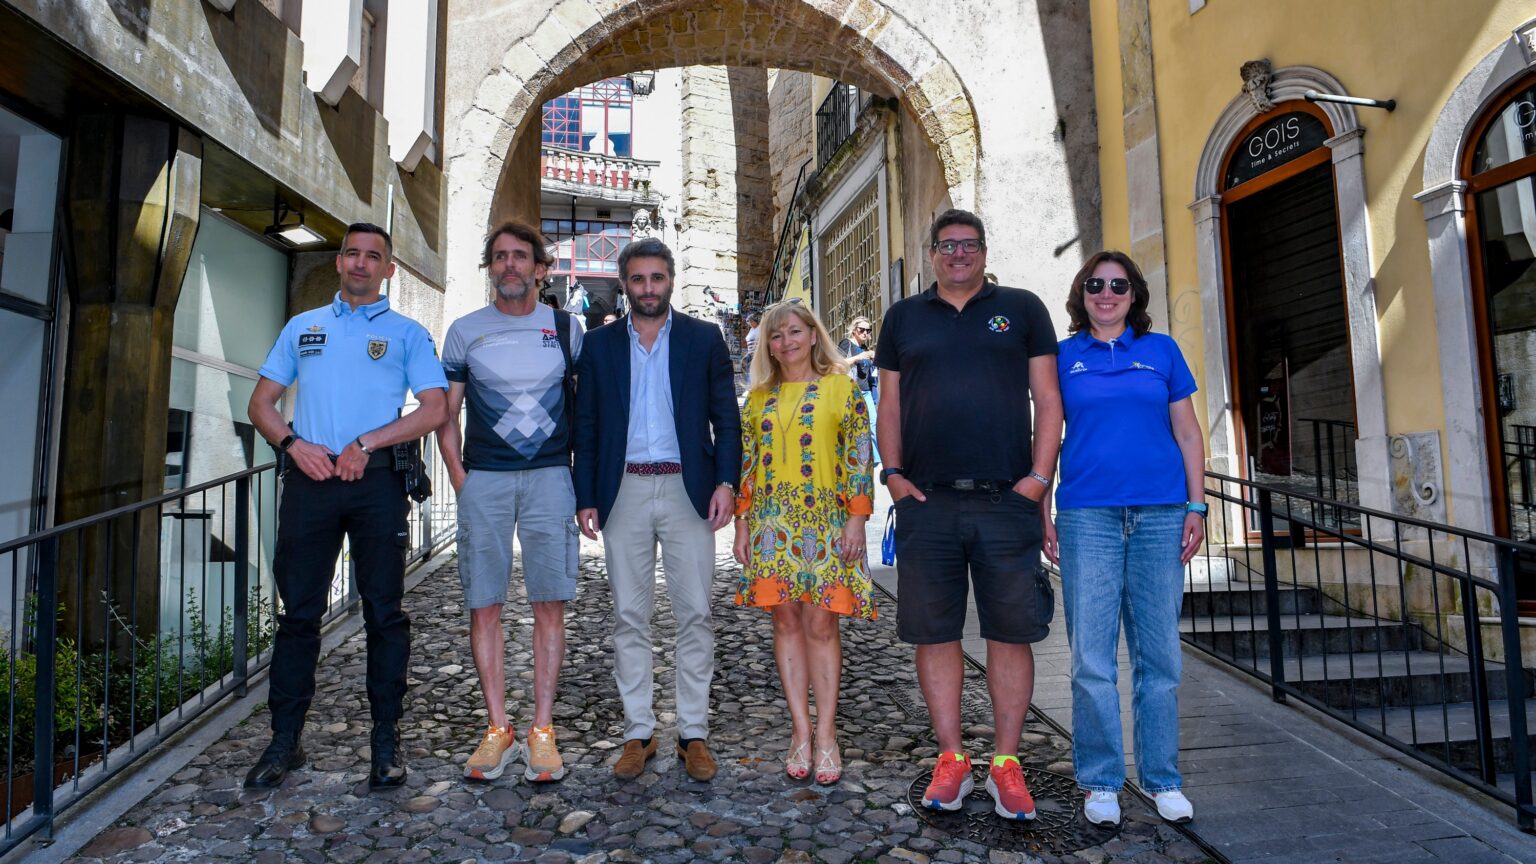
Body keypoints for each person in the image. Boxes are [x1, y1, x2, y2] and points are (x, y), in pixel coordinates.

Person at [245, 223, 448, 791]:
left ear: (389, 270)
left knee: (385, 616)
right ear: (338, 263)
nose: (361, 264)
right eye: (352, 254)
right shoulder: (302, 327)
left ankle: (386, 740)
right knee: (298, 617)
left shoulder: (408, 334)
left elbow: (433, 409)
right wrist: (293, 444)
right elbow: (261, 404)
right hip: (310, 484)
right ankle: (285, 741)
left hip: (377, 484)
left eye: (373, 257)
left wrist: (369, 443)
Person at [874, 209, 1063, 820]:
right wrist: (895, 477)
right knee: (935, 633)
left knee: (1011, 631)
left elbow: (1049, 401)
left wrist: (1037, 484)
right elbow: (890, 408)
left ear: (984, 250)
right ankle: (951, 757)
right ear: (932, 254)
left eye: (969, 245)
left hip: (1006, 500)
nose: (958, 254)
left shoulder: (1023, 309)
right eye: (947, 245)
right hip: (926, 502)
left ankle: (1007, 764)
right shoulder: (902, 318)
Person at [1043, 251, 1205, 827]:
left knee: (1158, 655)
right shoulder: (1063, 358)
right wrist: (1041, 504)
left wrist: (1197, 505)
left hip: (1161, 515)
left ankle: (1163, 779)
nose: (1106, 293)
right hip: (1088, 517)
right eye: (1095, 284)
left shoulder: (1161, 352)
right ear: (1081, 294)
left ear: (1134, 293)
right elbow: (1046, 435)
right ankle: (1101, 781)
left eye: (1117, 285)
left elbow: (1187, 433)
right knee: (1090, 657)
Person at [572, 237, 742, 782]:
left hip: (686, 490)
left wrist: (726, 481)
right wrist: (586, 496)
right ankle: (638, 732)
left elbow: (726, 418)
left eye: (657, 278)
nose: (648, 289)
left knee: (696, 614)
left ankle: (694, 733)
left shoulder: (703, 339)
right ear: (624, 284)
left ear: (671, 281)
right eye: (638, 279)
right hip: (622, 491)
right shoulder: (598, 347)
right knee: (629, 617)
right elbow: (587, 426)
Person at [438, 221, 584, 784]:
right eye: (499, 257)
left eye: (520, 257)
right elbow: (444, 413)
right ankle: (497, 726)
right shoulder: (465, 331)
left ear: (541, 269)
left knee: (550, 604)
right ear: (490, 267)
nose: (510, 266)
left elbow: (586, 412)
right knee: (485, 604)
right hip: (487, 480)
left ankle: (541, 730)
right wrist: (460, 477)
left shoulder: (568, 330)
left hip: (550, 477)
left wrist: (583, 485)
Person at [732, 302, 876, 785]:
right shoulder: (756, 400)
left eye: (795, 331)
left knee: (822, 625)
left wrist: (856, 520)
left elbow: (858, 455)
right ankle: (800, 732)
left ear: (814, 335)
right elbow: (747, 466)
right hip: (773, 524)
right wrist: (742, 525)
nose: (786, 341)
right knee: (786, 623)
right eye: (777, 336)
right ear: (767, 345)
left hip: (828, 521)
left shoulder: (842, 387)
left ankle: (828, 735)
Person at [837, 316, 879, 465]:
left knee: (873, 423)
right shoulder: (846, 344)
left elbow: (870, 375)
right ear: (854, 330)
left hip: (866, 391)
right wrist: (858, 357)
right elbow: (837, 364)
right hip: (851, 390)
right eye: (861, 330)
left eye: (868, 330)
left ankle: (876, 460)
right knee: (854, 425)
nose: (865, 333)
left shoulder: (866, 349)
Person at [743, 310, 761, 379]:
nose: (749, 324)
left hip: (755, 353)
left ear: (754, 321)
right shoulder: (751, 330)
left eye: (750, 322)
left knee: (754, 371)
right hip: (750, 353)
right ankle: (751, 385)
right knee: (749, 371)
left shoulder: (760, 328)